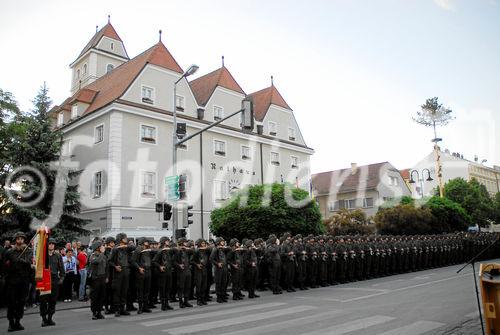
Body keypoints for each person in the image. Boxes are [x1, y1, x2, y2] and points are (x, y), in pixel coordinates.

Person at [4, 232, 33, 332]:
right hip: (12, 281)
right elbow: (4, 265)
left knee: (21, 302)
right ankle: (11, 323)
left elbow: (29, 262)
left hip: (24, 280)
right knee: (11, 302)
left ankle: (17, 321)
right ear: (15, 240)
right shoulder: (9, 252)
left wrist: (20, 260)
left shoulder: (28, 251)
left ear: (24, 240)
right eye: (18, 238)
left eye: (22, 238)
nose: (20, 240)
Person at [40, 238, 65, 327]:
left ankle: (50, 318)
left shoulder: (58, 255)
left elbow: (62, 268)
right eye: (49, 243)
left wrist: (61, 279)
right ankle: (44, 319)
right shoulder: (42, 255)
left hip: (54, 280)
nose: (51, 245)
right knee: (43, 300)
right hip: (44, 280)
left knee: (53, 300)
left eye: (53, 244)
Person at [108, 233, 134, 317]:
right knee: (117, 291)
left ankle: (123, 308)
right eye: (125, 238)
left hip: (126, 270)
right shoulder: (115, 249)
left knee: (124, 290)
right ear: (120, 239)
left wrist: (126, 246)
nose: (126, 239)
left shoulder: (126, 248)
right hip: (118, 272)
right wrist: (115, 266)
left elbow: (134, 247)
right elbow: (109, 261)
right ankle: (117, 310)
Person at [131, 237, 152, 314]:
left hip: (148, 271)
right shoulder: (138, 250)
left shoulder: (148, 250)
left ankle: (145, 307)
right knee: (140, 290)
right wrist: (139, 268)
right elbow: (133, 261)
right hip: (141, 272)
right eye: (146, 242)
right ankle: (140, 308)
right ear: (143, 242)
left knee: (147, 290)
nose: (148, 243)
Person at [153, 236, 174, 311]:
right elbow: (154, 261)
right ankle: (163, 305)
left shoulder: (168, 251)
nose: (168, 242)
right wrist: (160, 267)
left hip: (169, 271)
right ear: (164, 242)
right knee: (163, 289)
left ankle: (167, 303)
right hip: (162, 273)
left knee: (168, 288)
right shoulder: (160, 251)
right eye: (167, 241)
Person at [89, 241, 107, 320]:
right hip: (95, 278)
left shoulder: (103, 256)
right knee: (94, 296)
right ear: (98, 248)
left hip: (102, 278)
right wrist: (102, 253)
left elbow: (106, 266)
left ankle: (99, 312)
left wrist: (106, 276)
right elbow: (97, 261)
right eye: (101, 246)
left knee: (101, 296)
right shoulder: (92, 256)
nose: (103, 247)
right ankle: (94, 313)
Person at [174, 238, 193, 308]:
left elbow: (193, 251)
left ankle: (186, 301)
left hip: (187, 271)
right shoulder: (177, 251)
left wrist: (186, 248)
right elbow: (173, 261)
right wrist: (179, 265)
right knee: (181, 287)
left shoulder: (186, 251)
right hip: (181, 272)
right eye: (185, 242)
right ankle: (180, 302)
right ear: (181, 243)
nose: (186, 243)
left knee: (187, 287)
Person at [210, 237, 228, 303]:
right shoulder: (215, 249)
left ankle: (223, 296)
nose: (223, 242)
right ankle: (219, 297)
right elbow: (211, 259)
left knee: (224, 283)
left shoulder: (222, 249)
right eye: (222, 241)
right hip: (218, 269)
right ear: (218, 242)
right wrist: (217, 264)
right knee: (218, 283)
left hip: (224, 268)